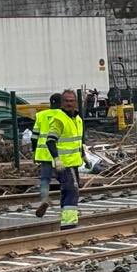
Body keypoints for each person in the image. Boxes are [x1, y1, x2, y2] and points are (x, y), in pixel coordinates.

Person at [37, 89, 84, 227]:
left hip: (74, 162)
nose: (69, 104)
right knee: (72, 190)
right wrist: (56, 159)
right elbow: (50, 141)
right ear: (62, 103)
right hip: (64, 164)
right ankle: (69, 224)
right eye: (67, 101)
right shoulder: (59, 119)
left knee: (66, 190)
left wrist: (84, 156)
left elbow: (77, 141)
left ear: (76, 103)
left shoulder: (77, 119)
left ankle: (65, 221)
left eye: (72, 101)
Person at [32, 93, 62, 218]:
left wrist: (34, 152)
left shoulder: (41, 116)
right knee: (65, 181)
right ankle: (65, 205)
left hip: (44, 154)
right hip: (60, 155)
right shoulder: (64, 116)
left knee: (45, 179)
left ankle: (44, 200)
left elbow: (34, 137)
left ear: (50, 103)